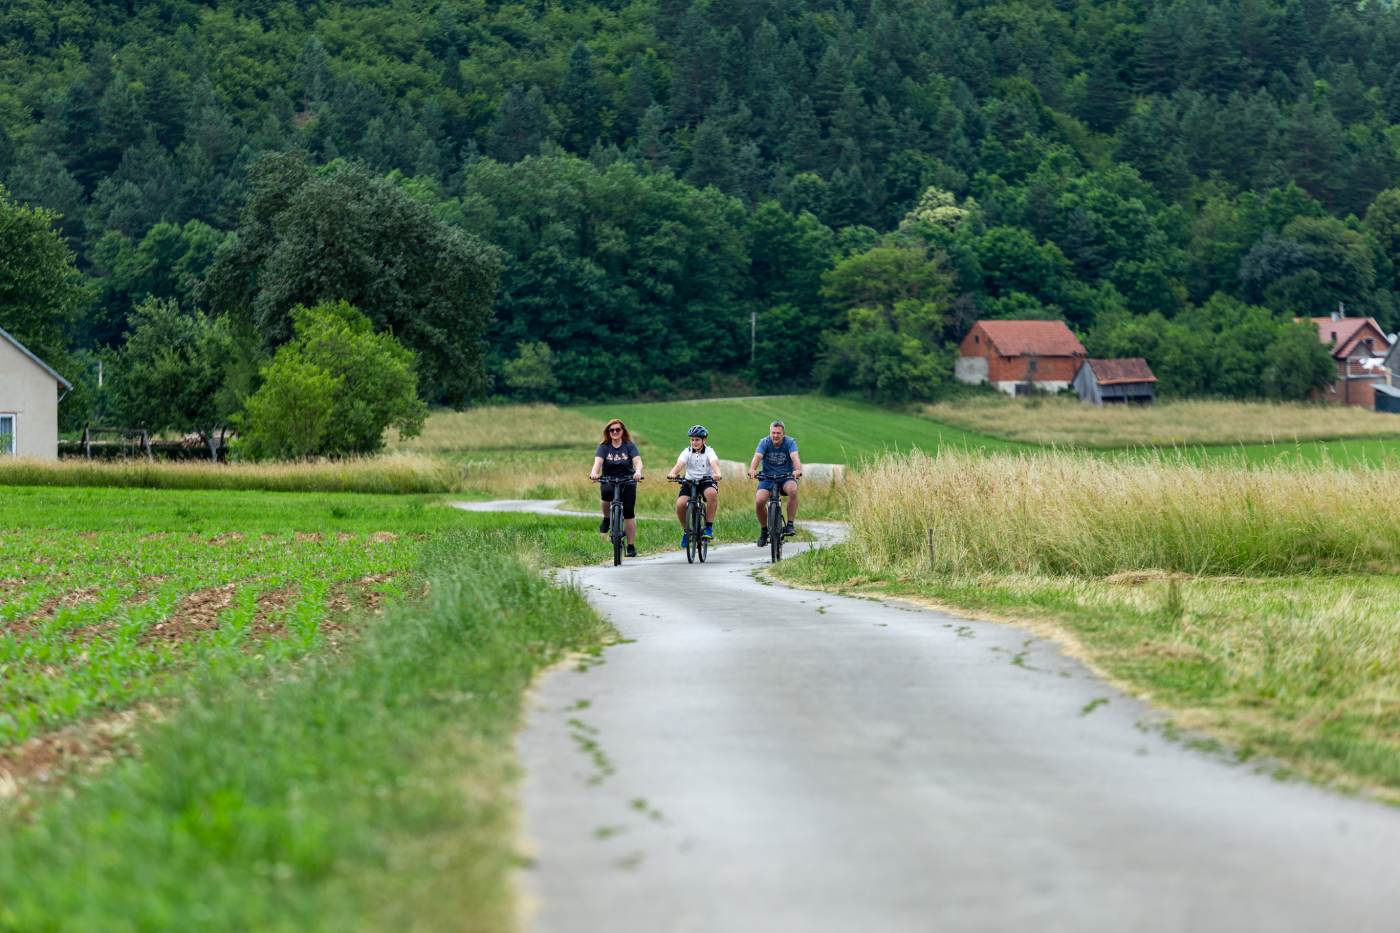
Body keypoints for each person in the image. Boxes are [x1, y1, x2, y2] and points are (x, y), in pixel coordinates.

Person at [590, 418, 642, 557]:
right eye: (611, 430)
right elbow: (598, 463)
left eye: (617, 429)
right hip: (609, 479)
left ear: (622, 431)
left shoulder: (629, 445)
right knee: (606, 494)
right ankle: (607, 518)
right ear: (608, 432)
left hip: (628, 480)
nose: (614, 432)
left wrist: (638, 472)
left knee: (629, 512)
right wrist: (594, 473)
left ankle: (630, 546)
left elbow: (637, 461)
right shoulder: (604, 446)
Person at [747, 419, 802, 547]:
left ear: (783, 433)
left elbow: (795, 457)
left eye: (778, 433)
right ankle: (764, 531)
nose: (775, 435)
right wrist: (752, 469)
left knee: (793, 490)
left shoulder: (790, 442)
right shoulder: (764, 442)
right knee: (760, 501)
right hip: (767, 478)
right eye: (773, 433)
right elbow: (757, 457)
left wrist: (798, 469)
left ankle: (789, 525)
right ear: (770, 433)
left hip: (786, 477)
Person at [666, 425, 721, 548]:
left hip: (706, 480)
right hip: (689, 481)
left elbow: (714, 463)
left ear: (704, 440)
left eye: (697, 440)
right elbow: (680, 464)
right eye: (692, 440)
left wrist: (717, 473)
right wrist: (673, 473)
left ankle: (708, 527)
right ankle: (687, 531)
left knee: (712, 494)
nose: (694, 442)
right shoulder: (686, 451)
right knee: (680, 504)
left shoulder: (709, 451)